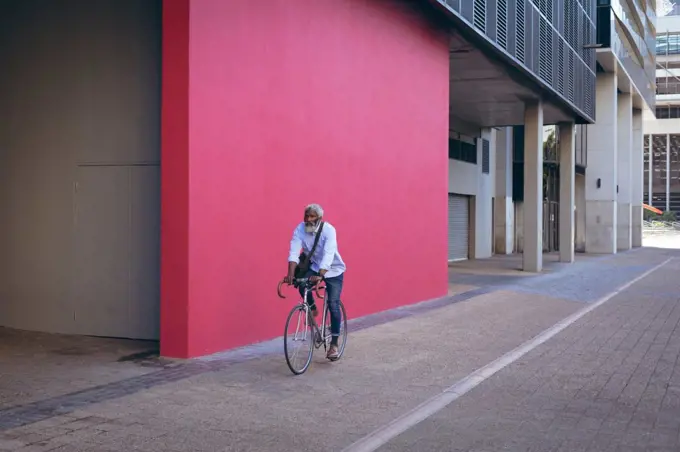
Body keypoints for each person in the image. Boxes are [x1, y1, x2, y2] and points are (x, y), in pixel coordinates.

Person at [284, 203, 346, 360]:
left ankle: (334, 344)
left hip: (333, 269)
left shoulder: (328, 230)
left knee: (333, 303)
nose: (308, 220)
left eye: (312, 217)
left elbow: (329, 252)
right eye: (306, 216)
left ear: (319, 218)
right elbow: (294, 250)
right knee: (301, 284)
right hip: (316, 266)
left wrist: (321, 273)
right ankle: (312, 308)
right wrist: (290, 274)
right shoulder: (300, 229)